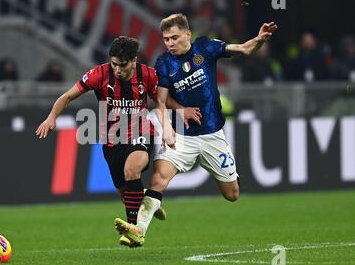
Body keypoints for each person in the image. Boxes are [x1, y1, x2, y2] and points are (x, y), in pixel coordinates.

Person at [114, 13, 278, 246]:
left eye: (174, 37)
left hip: (212, 136)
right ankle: (138, 231)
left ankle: (231, 173)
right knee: (158, 179)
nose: (169, 43)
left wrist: (260, 39)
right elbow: (160, 102)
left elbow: (243, 49)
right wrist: (169, 127)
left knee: (232, 195)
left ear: (187, 34)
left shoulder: (206, 47)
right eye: (166, 39)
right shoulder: (164, 63)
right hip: (182, 136)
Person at [36, 36, 189, 247]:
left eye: (123, 65)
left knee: (132, 170)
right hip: (111, 140)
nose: (117, 70)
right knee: (126, 194)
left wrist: (177, 117)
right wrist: (52, 117)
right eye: (114, 64)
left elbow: (161, 102)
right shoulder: (99, 74)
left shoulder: (148, 75)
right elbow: (68, 96)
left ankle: (135, 229)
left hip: (141, 131)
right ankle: (148, 203)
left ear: (134, 60)